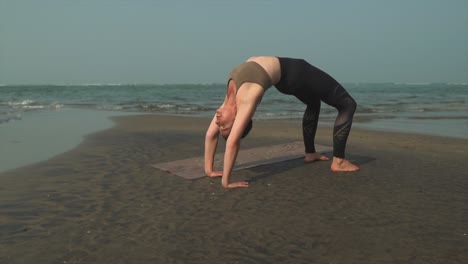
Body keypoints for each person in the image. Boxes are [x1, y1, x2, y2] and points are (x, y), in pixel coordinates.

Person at [204, 56, 359, 188]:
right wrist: (226, 182)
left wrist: (209, 170)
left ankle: (310, 153)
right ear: (237, 120)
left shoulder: (226, 106)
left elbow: (211, 135)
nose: (218, 122)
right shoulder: (247, 99)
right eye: (224, 126)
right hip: (297, 72)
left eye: (220, 126)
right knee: (348, 105)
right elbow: (233, 141)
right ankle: (339, 161)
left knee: (313, 103)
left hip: (286, 79)